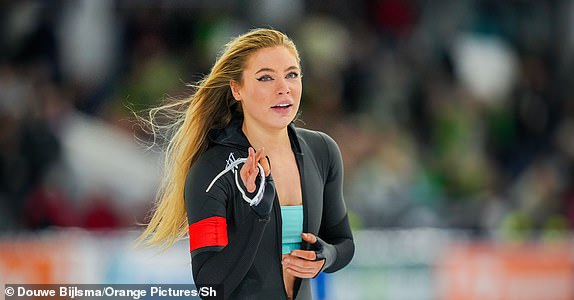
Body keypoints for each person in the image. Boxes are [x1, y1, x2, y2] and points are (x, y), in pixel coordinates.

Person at [137, 28, 354, 300]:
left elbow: (344, 242)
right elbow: (209, 286)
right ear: (236, 89)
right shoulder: (214, 169)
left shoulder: (322, 151)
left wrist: (326, 256)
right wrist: (257, 214)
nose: (283, 88)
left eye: (292, 74)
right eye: (265, 77)